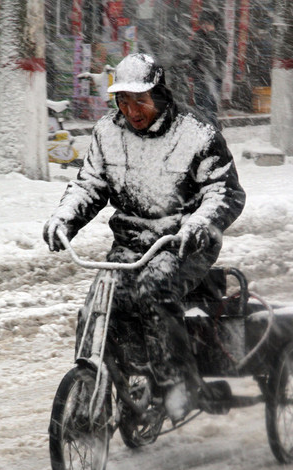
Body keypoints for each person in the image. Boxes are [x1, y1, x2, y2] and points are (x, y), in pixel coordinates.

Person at [43, 53, 245, 422]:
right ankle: (96, 380)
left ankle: (177, 386)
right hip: (132, 241)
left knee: (153, 291)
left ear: (160, 95)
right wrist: (63, 219)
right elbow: (90, 185)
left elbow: (225, 193)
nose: (132, 110)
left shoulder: (197, 133)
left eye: (141, 100)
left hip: (183, 242)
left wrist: (197, 226)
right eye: (123, 101)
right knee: (100, 304)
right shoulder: (107, 132)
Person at [190, 10, 228, 130]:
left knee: (210, 105)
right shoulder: (199, 35)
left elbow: (219, 53)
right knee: (200, 105)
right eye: (203, 23)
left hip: (213, 77)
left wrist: (211, 34)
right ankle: (204, 129)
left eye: (207, 23)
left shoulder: (221, 35)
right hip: (199, 75)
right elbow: (194, 54)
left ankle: (212, 130)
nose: (204, 26)